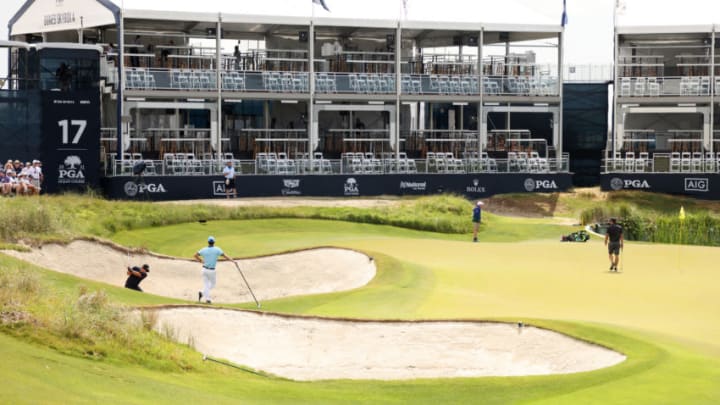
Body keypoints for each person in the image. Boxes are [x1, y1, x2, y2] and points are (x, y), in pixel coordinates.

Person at [194, 236, 232, 304]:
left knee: (206, 285)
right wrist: (232, 261)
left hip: (204, 269)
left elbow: (195, 255)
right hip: (211, 271)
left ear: (208, 242)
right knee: (212, 284)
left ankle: (203, 293)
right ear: (214, 242)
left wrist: (201, 261)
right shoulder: (217, 249)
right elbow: (225, 256)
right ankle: (207, 298)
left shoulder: (204, 249)